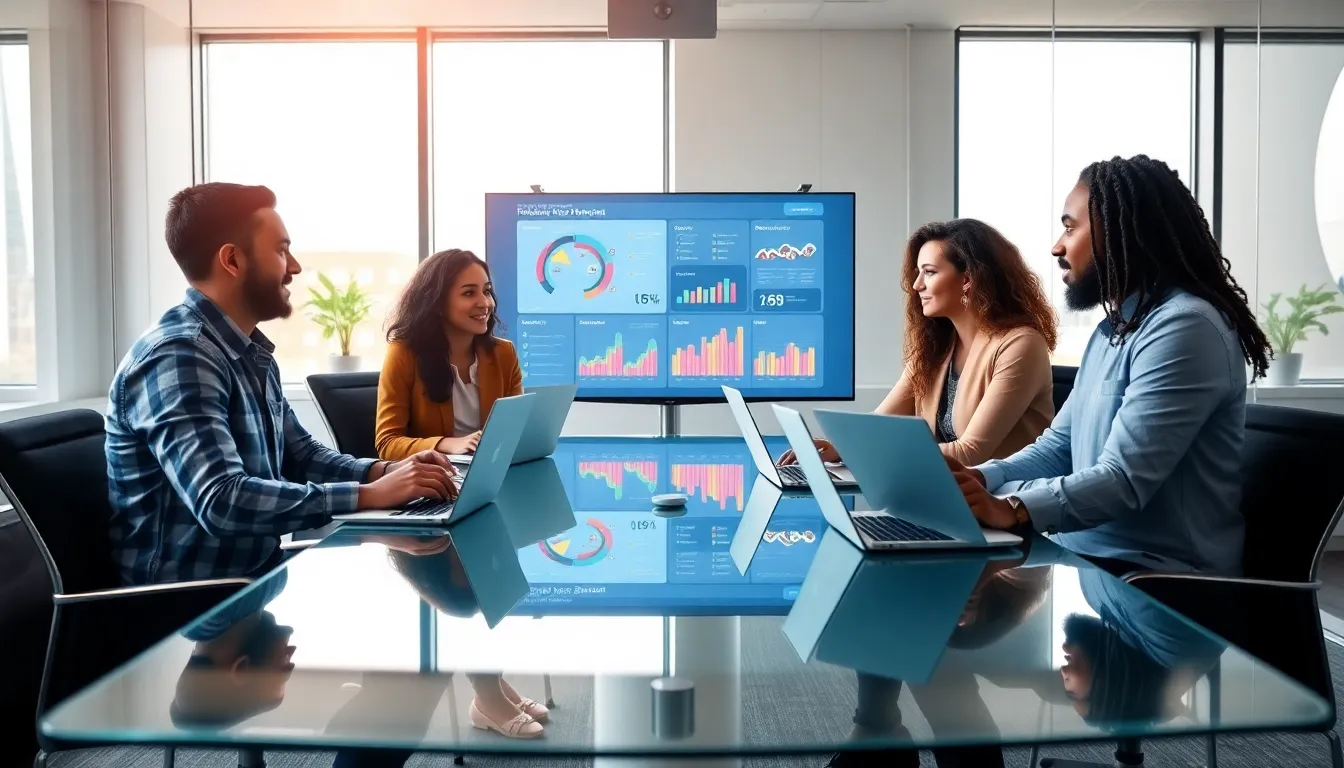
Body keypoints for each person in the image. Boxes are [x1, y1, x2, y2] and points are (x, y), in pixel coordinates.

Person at [105, 183, 459, 586]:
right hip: (188, 609)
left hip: (254, 581)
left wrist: (386, 471)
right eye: (281, 250)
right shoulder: (179, 356)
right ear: (232, 260)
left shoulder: (248, 350)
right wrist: (371, 495)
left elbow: (301, 457)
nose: (294, 267)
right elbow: (222, 501)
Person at [950, 154, 1273, 577]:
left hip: (1161, 583)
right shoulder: (1113, 331)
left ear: (1124, 231)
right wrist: (982, 478)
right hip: (1082, 562)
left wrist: (1012, 507)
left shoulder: (1185, 327)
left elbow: (1123, 480)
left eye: (1070, 227)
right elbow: (1058, 449)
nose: (1057, 246)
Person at [780, 218, 1057, 468]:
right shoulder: (938, 346)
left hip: (1005, 505)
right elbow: (878, 423)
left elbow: (970, 452)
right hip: (947, 496)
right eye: (918, 272)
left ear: (968, 280)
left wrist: (865, 452)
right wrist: (840, 448)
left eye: (930, 272)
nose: (916, 285)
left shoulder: (1020, 345)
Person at [376, 248, 523, 461]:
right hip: (433, 478)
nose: (485, 303)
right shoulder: (403, 353)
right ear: (437, 302)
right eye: (469, 293)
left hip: (490, 472)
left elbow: (515, 431)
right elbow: (387, 443)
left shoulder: (504, 354)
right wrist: (447, 444)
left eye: (487, 291)